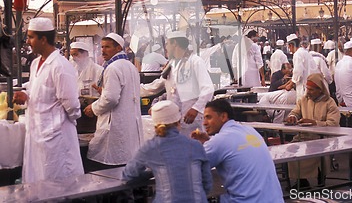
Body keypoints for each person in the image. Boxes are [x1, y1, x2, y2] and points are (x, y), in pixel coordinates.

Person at [13, 18, 83, 183]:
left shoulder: (60, 66)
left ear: (43, 39)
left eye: (31, 37)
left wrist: (59, 122)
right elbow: (38, 88)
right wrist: (26, 95)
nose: (28, 42)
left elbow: (72, 105)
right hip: (38, 133)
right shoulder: (36, 63)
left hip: (56, 136)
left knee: (59, 184)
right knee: (37, 182)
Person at [191, 99, 284, 203]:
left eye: (208, 117)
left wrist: (192, 145)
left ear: (223, 117)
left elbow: (189, 165)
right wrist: (208, 142)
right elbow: (232, 149)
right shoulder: (250, 130)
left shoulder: (219, 141)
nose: (204, 123)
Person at [122, 100, 212, 203]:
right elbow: (207, 184)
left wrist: (152, 173)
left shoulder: (150, 147)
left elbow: (128, 175)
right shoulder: (195, 145)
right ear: (178, 122)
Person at [83, 32, 143, 170]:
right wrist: (102, 92)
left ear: (118, 48)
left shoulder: (113, 68)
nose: (103, 50)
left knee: (110, 162)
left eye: (107, 47)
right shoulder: (129, 66)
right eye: (102, 47)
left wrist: (93, 108)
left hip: (115, 123)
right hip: (128, 122)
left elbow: (111, 99)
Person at [285, 73, 340, 188]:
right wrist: (292, 117)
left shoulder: (330, 103)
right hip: (304, 136)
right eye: (307, 89)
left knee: (314, 150)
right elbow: (295, 112)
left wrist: (315, 123)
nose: (308, 92)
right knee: (290, 149)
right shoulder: (303, 100)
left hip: (322, 137)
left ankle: (317, 177)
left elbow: (333, 124)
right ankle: (302, 180)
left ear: (319, 90)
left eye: (311, 90)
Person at [162, 30, 214, 136]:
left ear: (174, 43)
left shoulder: (195, 61)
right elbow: (161, 84)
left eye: (167, 43)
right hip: (175, 120)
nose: (166, 47)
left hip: (192, 120)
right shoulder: (172, 64)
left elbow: (208, 89)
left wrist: (196, 108)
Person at [286, 33, 319, 100]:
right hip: (311, 85)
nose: (289, 50)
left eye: (289, 47)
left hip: (305, 87)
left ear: (291, 45)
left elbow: (298, 72)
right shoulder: (305, 52)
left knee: (304, 107)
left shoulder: (297, 54)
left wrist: (291, 84)